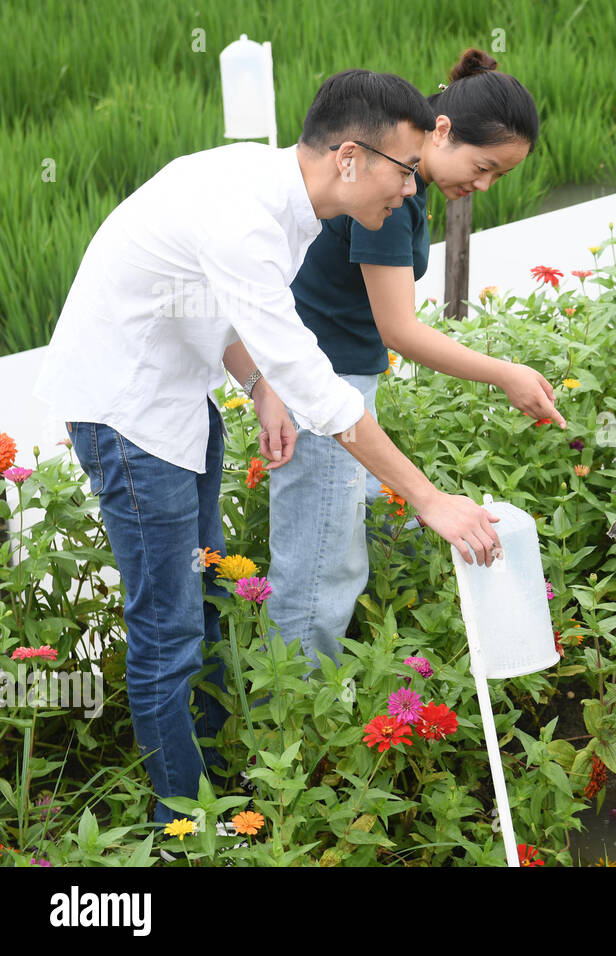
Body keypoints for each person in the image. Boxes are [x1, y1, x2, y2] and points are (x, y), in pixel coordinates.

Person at [34, 69, 505, 825]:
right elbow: (322, 393)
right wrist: (429, 500)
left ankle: (229, 784)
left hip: (177, 399)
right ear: (350, 158)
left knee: (210, 597)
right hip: (126, 415)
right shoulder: (248, 215)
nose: (412, 192)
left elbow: (232, 315)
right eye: (406, 170)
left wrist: (256, 386)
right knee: (170, 629)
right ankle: (185, 824)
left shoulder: (289, 200)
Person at [266, 49, 560, 665]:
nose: (481, 186)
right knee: (322, 565)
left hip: (339, 379)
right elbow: (398, 328)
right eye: (483, 167)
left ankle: (357, 679)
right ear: (443, 130)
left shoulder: (402, 183)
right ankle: (290, 721)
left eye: (498, 178)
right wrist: (506, 373)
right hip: (323, 386)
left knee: (361, 536)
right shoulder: (386, 194)